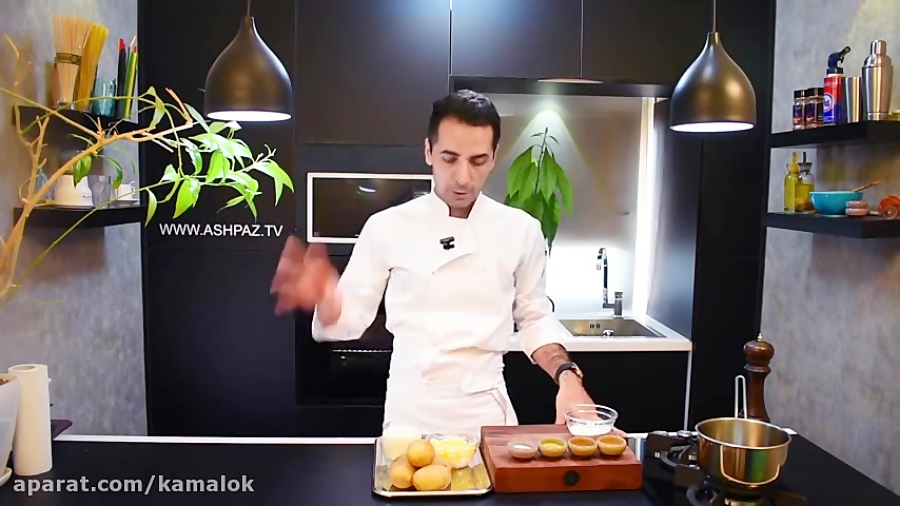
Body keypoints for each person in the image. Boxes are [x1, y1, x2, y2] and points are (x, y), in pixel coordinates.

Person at [271, 90, 601, 436]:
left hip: (485, 413)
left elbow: (534, 318)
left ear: (493, 157)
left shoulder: (521, 230)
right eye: (449, 158)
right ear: (428, 151)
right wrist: (326, 298)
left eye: (477, 160)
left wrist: (568, 377)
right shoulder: (386, 227)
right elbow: (347, 322)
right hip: (411, 413)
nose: (463, 177)